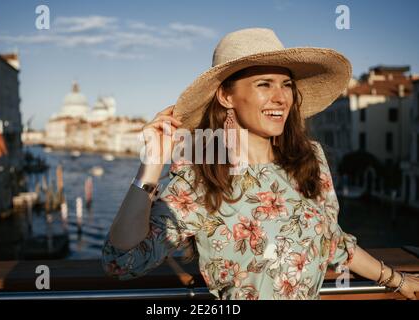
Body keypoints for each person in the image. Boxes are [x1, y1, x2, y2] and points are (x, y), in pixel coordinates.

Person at [102, 28, 419, 300]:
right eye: (264, 84)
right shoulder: (202, 172)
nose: (281, 97)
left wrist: (397, 280)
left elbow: (333, 241)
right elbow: (123, 261)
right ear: (227, 96)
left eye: (286, 84)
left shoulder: (311, 159)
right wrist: (151, 165)